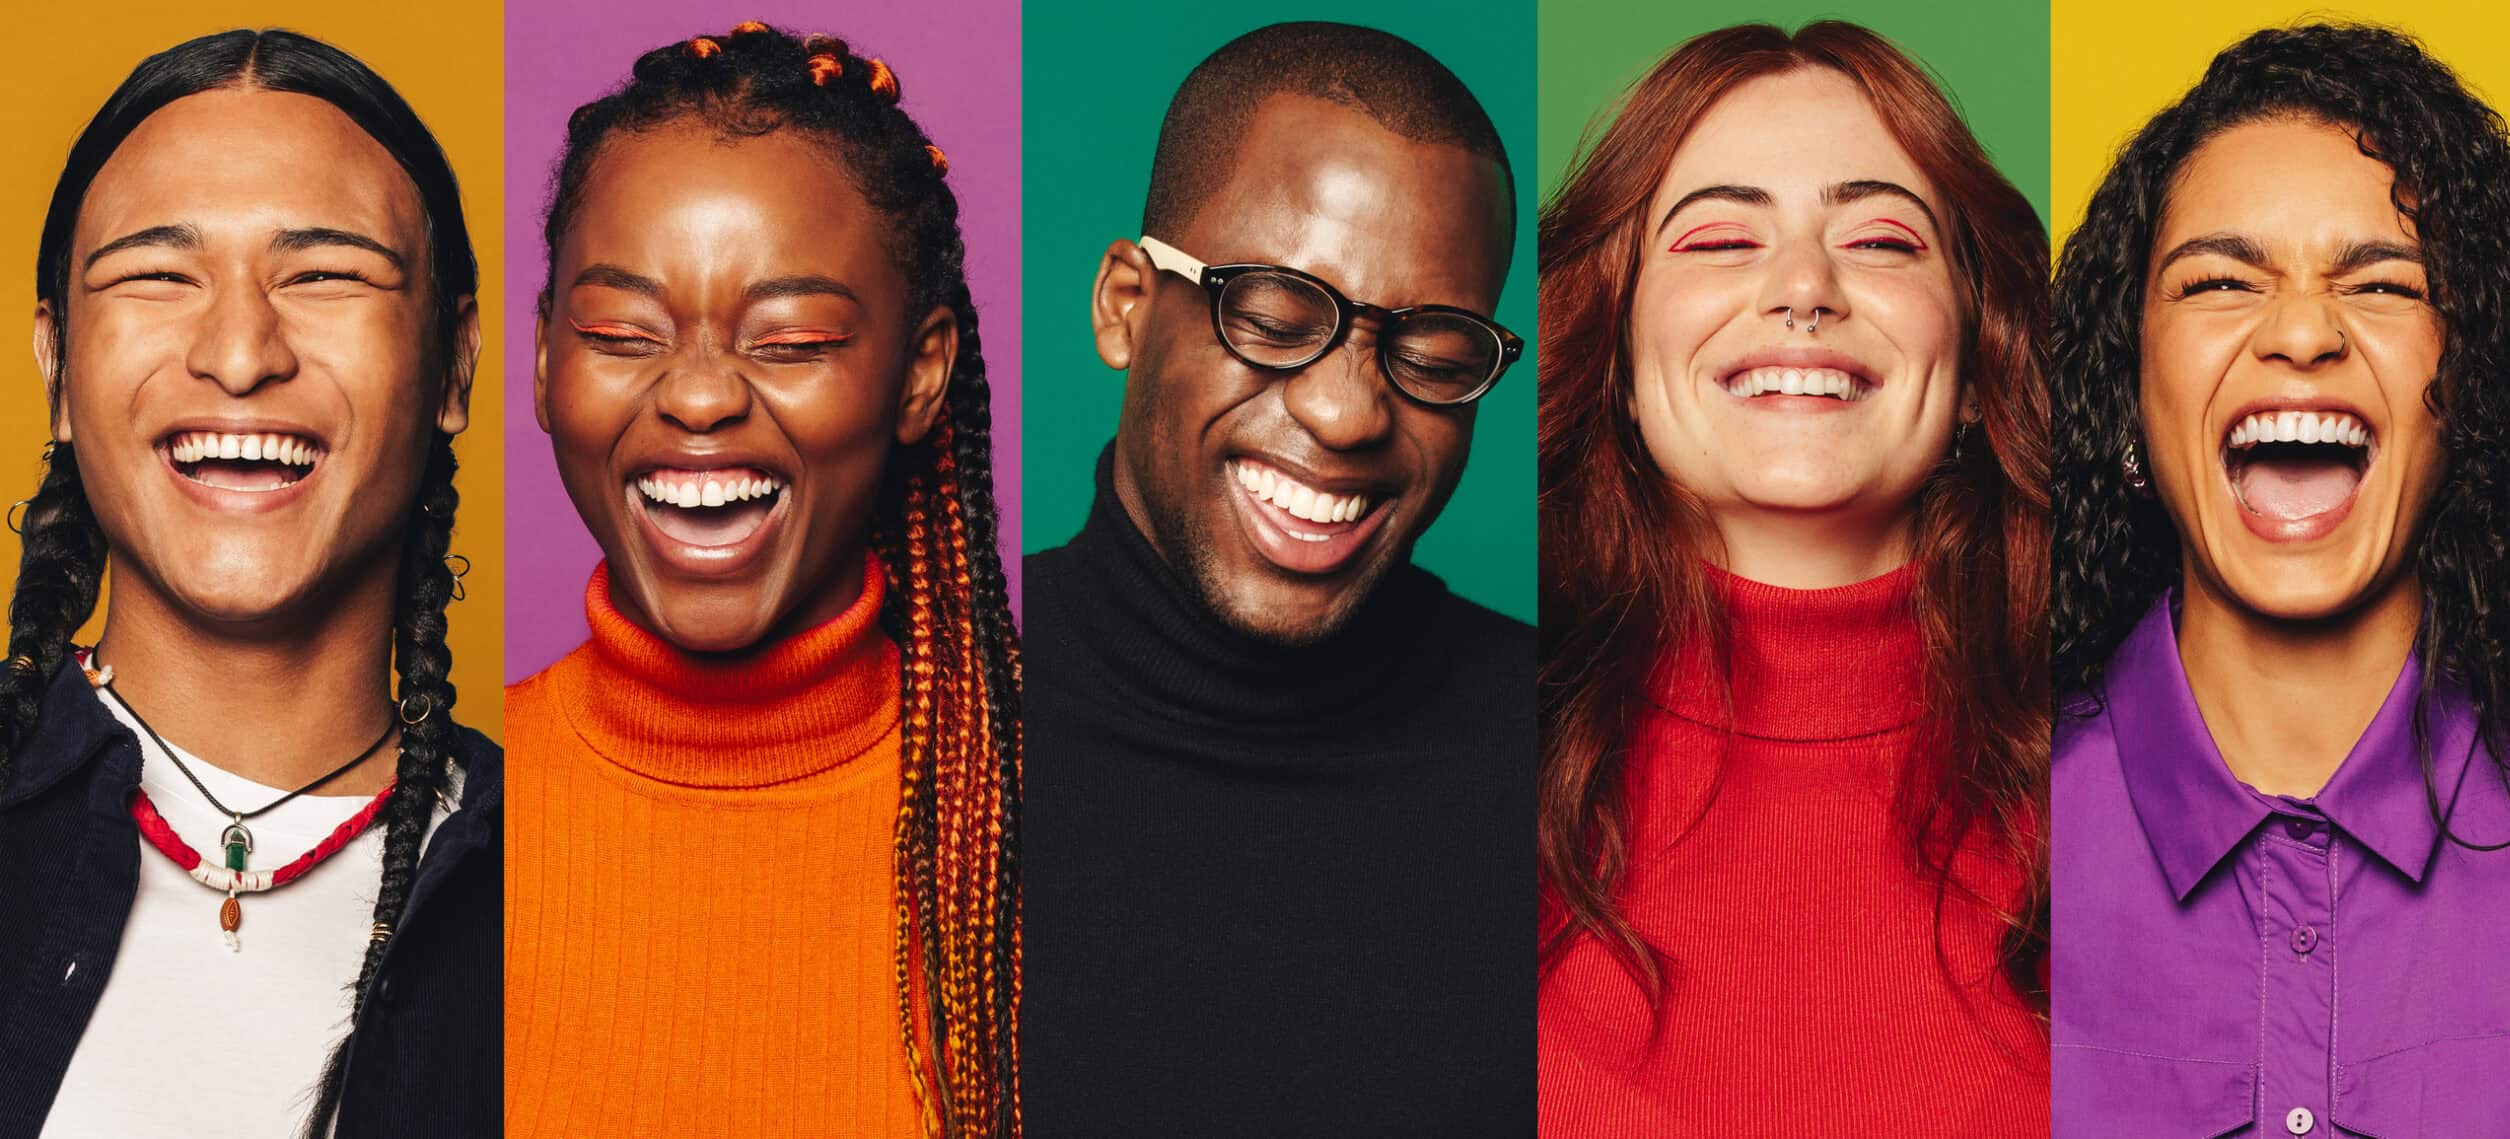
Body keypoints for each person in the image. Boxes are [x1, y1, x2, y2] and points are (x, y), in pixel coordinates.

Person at [505, 22, 1022, 1138]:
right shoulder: (433, 816)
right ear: (544, 359)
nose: (698, 398)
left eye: (788, 340)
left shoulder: (1031, 834)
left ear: (921, 373)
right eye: (620, 331)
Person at [1019, 20, 1533, 1135]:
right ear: (1123, 305)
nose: (1346, 412)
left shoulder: (1582, 751)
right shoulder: (915, 707)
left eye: (1435, 348)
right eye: (1276, 311)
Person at [1534, 22, 2049, 1134]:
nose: (1803, 287)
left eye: (1879, 241)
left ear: (1973, 365)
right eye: (1720, 240)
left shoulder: (2126, 766)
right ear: (1617, 360)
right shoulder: (1472, 745)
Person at [2050, 23, 2510, 1135]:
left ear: (2471, 386)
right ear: (2128, 391)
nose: (2299, 332)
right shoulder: (1974, 825)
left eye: (2382, 282)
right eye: (2220, 279)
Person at [0, 29, 492, 1139]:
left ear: (453, 364)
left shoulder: (562, 885)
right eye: (157, 275)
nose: (237, 351)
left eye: (322, 274)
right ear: (58, 368)